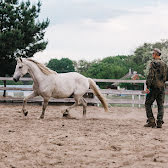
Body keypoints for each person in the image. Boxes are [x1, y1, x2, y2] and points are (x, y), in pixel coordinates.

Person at [144, 48, 167, 128]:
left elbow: (151, 75)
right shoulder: (164, 64)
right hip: (162, 87)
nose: (152, 55)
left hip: (153, 87)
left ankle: (151, 121)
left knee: (147, 104)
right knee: (160, 105)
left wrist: (148, 86)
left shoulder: (153, 63)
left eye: (153, 53)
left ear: (155, 54)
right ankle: (159, 122)